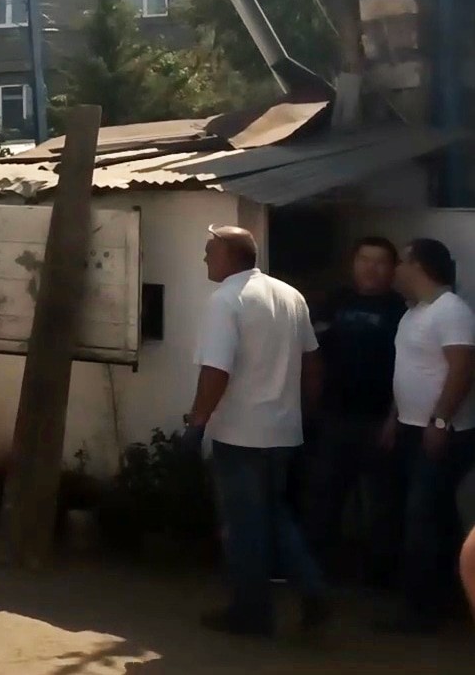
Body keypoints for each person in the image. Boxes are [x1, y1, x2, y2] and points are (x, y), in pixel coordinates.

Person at [185, 225, 328, 636]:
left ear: (230, 256)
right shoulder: (290, 295)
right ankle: (312, 588)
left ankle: (251, 612)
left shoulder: (226, 300)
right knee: (274, 516)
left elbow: (216, 370)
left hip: (241, 433)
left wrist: (197, 422)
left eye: (210, 251)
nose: (205, 258)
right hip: (283, 431)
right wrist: (306, 412)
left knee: (244, 525)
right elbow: (313, 363)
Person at [380, 238, 475, 633]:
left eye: (401, 262)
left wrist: (439, 422)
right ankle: (449, 596)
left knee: (421, 517)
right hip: (411, 427)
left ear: (418, 266)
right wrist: (394, 418)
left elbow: (462, 370)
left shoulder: (451, 311)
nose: (395, 269)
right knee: (434, 515)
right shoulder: (413, 313)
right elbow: (407, 371)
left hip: (443, 432)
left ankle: (419, 611)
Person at [302, 236, 407, 577]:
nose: (371, 268)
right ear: (353, 263)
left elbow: (410, 370)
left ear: (393, 269)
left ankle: (380, 576)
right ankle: (320, 572)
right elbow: (312, 352)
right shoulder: (334, 303)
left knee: (382, 503)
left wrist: (393, 417)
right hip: (333, 416)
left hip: (379, 419)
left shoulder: (402, 310)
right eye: (364, 259)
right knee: (324, 496)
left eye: (380, 261)